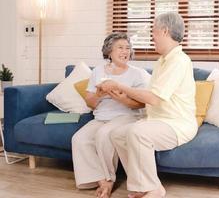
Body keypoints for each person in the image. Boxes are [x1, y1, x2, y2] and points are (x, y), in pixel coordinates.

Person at [99, 12, 198, 198]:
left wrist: (121, 86)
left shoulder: (178, 61)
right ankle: (142, 186)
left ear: (164, 31)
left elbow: (153, 98)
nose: (152, 35)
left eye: (153, 30)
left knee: (137, 133)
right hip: (158, 120)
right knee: (117, 134)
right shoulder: (162, 61)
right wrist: (123, 94)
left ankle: (154, 189)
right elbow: (148, 97)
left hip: (177, 124)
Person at [71, 32, 149, 198]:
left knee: (103, 135)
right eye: (120, 47)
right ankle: (99, 179)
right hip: (101, 117)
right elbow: (89, 102)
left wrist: (123, 99)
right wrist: (99, 94)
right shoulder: (98, 71)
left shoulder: (137, 73)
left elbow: (141, 104)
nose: (125, 51)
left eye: (127, 48)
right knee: (79, 139)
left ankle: (108, 180)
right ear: (109, 52)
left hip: (127, 116)